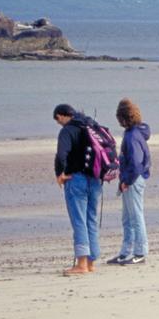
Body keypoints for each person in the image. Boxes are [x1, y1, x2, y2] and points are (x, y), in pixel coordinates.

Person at [53, 103, 104, 276]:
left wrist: (60, 174)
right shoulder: (91, 125)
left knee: (79, 220)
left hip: (77, 179)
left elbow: (61, 155)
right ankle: (91, 262)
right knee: (91, 218)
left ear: (61, 116)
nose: (59, 124)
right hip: (96, 179)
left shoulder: (68, 130)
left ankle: (81, 263)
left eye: (58, 121)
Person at [110, 97, 151, 265]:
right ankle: (125, 252)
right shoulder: (132, 133)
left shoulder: (133, 135)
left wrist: (127, 180)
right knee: (127, 218)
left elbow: (136, 163)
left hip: (134, 180)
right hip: (129, 179)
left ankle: (140, 252)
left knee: (136, 217)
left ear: (124, 118)